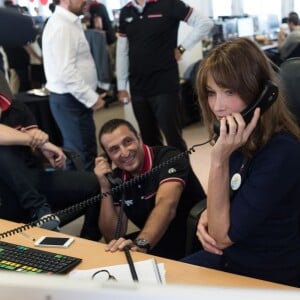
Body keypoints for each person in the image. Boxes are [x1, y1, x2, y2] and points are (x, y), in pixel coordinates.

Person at [181, 37, 300, 287]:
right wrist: (208, 213)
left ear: (262, 94)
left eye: (229, 91)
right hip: (230, 259)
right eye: (211, 93)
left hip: (264, 274)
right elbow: (231, 199)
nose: (218, 107)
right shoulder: (240, 137)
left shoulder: (282, 152)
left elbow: (221, 237)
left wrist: (218, 160)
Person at [93, 118, 206, 260]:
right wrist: (105, 187)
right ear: (107, 157)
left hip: (196, 239)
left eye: (128, 142)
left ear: (139, 138)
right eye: (114, 149)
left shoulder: (169, 157)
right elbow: (112, 235)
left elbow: (166, 204)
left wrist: (140, 245)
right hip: (155, 242)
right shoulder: (117, 178)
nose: (125, 153)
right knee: (114, 253)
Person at [0, 89, 102, 240]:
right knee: (4, 152)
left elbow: (36, 137)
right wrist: (40, 143)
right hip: (4, 194)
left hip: (33, 179)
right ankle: (38, 208)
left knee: (97, 183)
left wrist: (42, 146)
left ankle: (89, 240)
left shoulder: (16, 107)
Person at [116, 0, 213, 152]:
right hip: (138, 87)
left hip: (165, 84)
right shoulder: (125, 11)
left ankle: (182, 175)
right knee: (149, 141)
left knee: (173, 138)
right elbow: (122, 51)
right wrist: (121, 86)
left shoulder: (169, 4)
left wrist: (182, 48)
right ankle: (158, 175)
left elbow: (205, 23)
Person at [42, 0, 106, 171]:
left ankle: (90, 195)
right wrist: (91, 98)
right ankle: (88, 197)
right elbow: (67, 72)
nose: (87, 1)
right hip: (71, 100)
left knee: (83, 153)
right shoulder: (62, 26)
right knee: (81, 157)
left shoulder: (68, 22)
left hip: (73, 99)